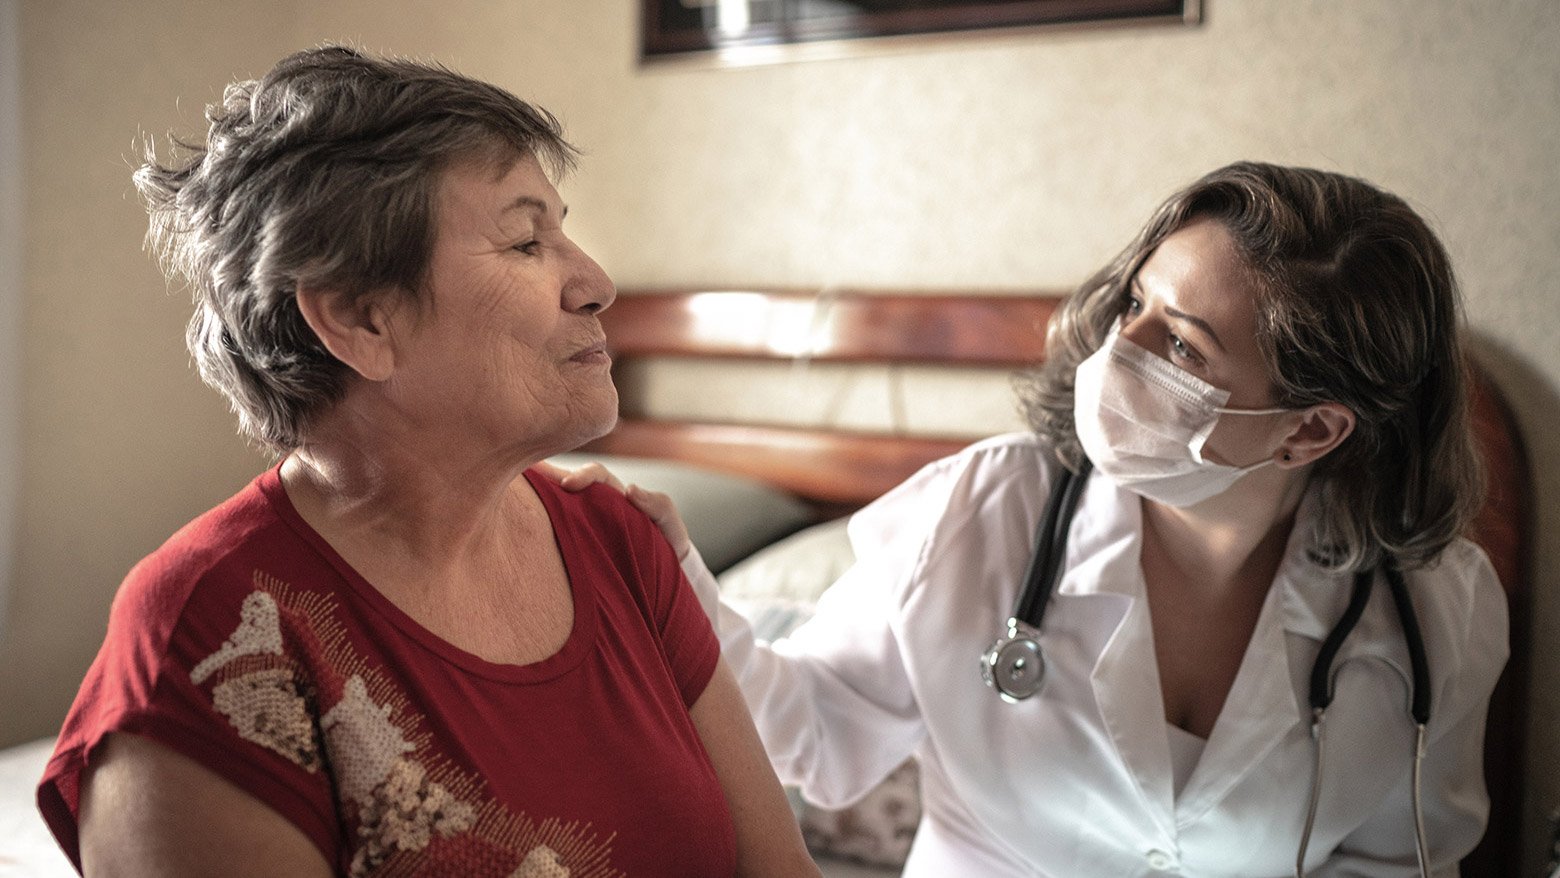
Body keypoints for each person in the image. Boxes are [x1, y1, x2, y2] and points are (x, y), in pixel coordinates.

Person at [564, 162, 1508, 876]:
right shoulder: (981, 511)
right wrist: (675, 575)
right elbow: (819, 733)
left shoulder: (1433, 614)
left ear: (1309, 429)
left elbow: (1398, 862)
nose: (1113, 347)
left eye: (1180, 344)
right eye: (1136, 302)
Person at [36, 45, 820, 878]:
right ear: (359, 320)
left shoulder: (624, 544)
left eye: (563, 230)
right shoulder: (211, 634)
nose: (594, 282)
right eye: (525, 242)